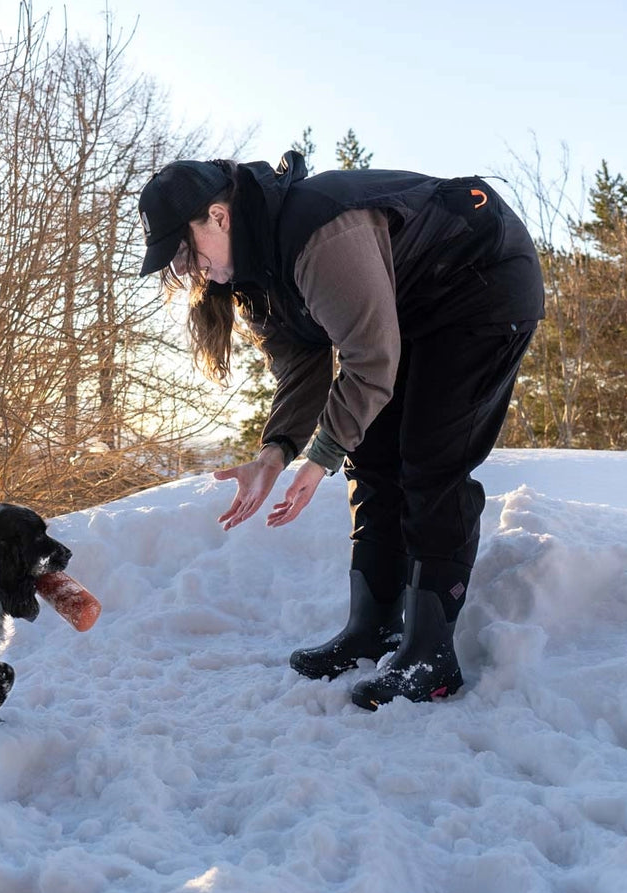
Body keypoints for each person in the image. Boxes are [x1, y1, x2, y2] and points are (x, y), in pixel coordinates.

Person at [137, 151, 544, 708]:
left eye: (185, 252)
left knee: (430, 459)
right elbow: (302, 368)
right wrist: (275, 453)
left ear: (220, 216)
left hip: (482, 284)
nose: (188, 271)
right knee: (372, 454)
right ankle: (373, 629)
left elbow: (371, 358)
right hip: (413, 310)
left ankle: (431, 657)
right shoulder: (256, 277)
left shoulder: (320, 233)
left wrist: (321, 454)